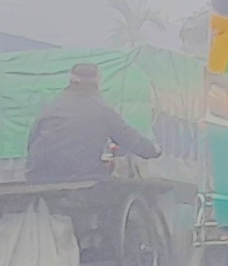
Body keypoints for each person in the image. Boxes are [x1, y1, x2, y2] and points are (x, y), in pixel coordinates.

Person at [23, 59, 161, 183]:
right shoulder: (101, 110)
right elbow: (128, 137)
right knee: (118, 189)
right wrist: (153, 150)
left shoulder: (51, 107)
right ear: (97, 82)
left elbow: (32, 140)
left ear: (71, 81)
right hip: (80, 175)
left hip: (38, 175)